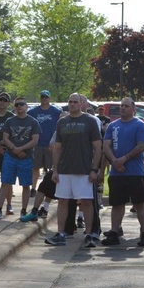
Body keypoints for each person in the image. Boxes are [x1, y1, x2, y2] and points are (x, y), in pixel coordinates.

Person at [45, 93, 103, 247]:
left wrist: (94, 169)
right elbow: (57, 148)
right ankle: (61, 234)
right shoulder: (62, 122)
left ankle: (89, 235)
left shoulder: (90, 121)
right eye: (70, 102)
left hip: (84, 170)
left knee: (86, 202)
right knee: (63, 201)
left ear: (81, 104)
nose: (72, 104)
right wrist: (55, 170)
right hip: (64, 170)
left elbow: (98, 147)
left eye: (75, 102)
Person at [102, 98, 144, 247]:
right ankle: (114, 233)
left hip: (135, 173)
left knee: (139, 203)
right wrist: (115, 161)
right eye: (121, 106)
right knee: (117, 204)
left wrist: (124, 159)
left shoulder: (140, 125)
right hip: (117, 173)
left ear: (133, 109)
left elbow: (142, 146)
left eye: (126, 106)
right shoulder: (113, 126)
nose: (123, 108)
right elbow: (106, 146)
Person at [0, 96, 40, 220]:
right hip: (10, 157)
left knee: (26, 185)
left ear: (26, 106)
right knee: (5, 182)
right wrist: (15, 149)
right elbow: (5, 138)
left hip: (26, 157)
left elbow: (35, 140)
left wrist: (21, 149)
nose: (19, 107)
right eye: (17, 105)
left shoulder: (33, 122)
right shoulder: (10, 121)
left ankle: (23, 211)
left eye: (21, 104)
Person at [28, 90, 61, 194]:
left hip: (50, 144)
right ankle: (33, 188)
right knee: (35, 167)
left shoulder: (55, 112)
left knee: (51, 167)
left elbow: (62, 121)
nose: (44, 99)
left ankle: (49, 188)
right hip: (37, 143)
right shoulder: (33, 112)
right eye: (42, 97)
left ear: (49, 98)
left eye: (46, 97)